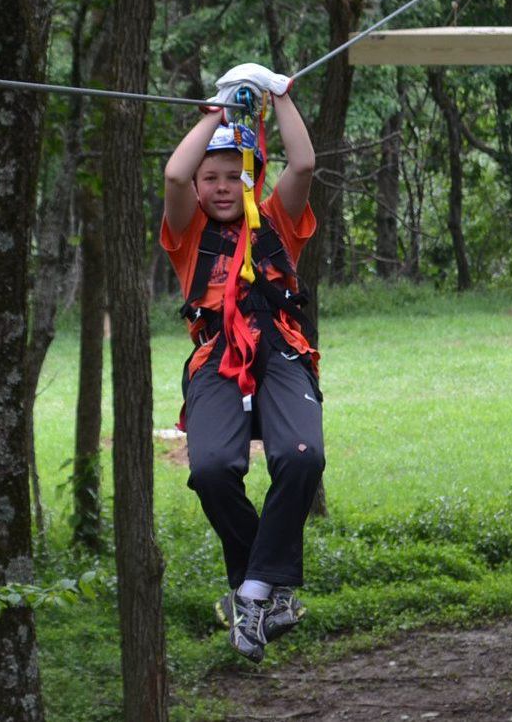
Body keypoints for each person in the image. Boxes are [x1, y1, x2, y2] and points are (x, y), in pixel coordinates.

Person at [161, 62, 322, 663]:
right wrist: (214, 115)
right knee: (209, 469)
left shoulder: (277, 221)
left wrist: (279, 95)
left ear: (250, 179)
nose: (223, 187)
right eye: (213, 179)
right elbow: (176, 173)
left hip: (281, 350)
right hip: (216, 358)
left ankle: (252, 592)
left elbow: (302, 164)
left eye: (234, 176)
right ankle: (265, 589)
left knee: (303, 459)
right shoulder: (188, 232)